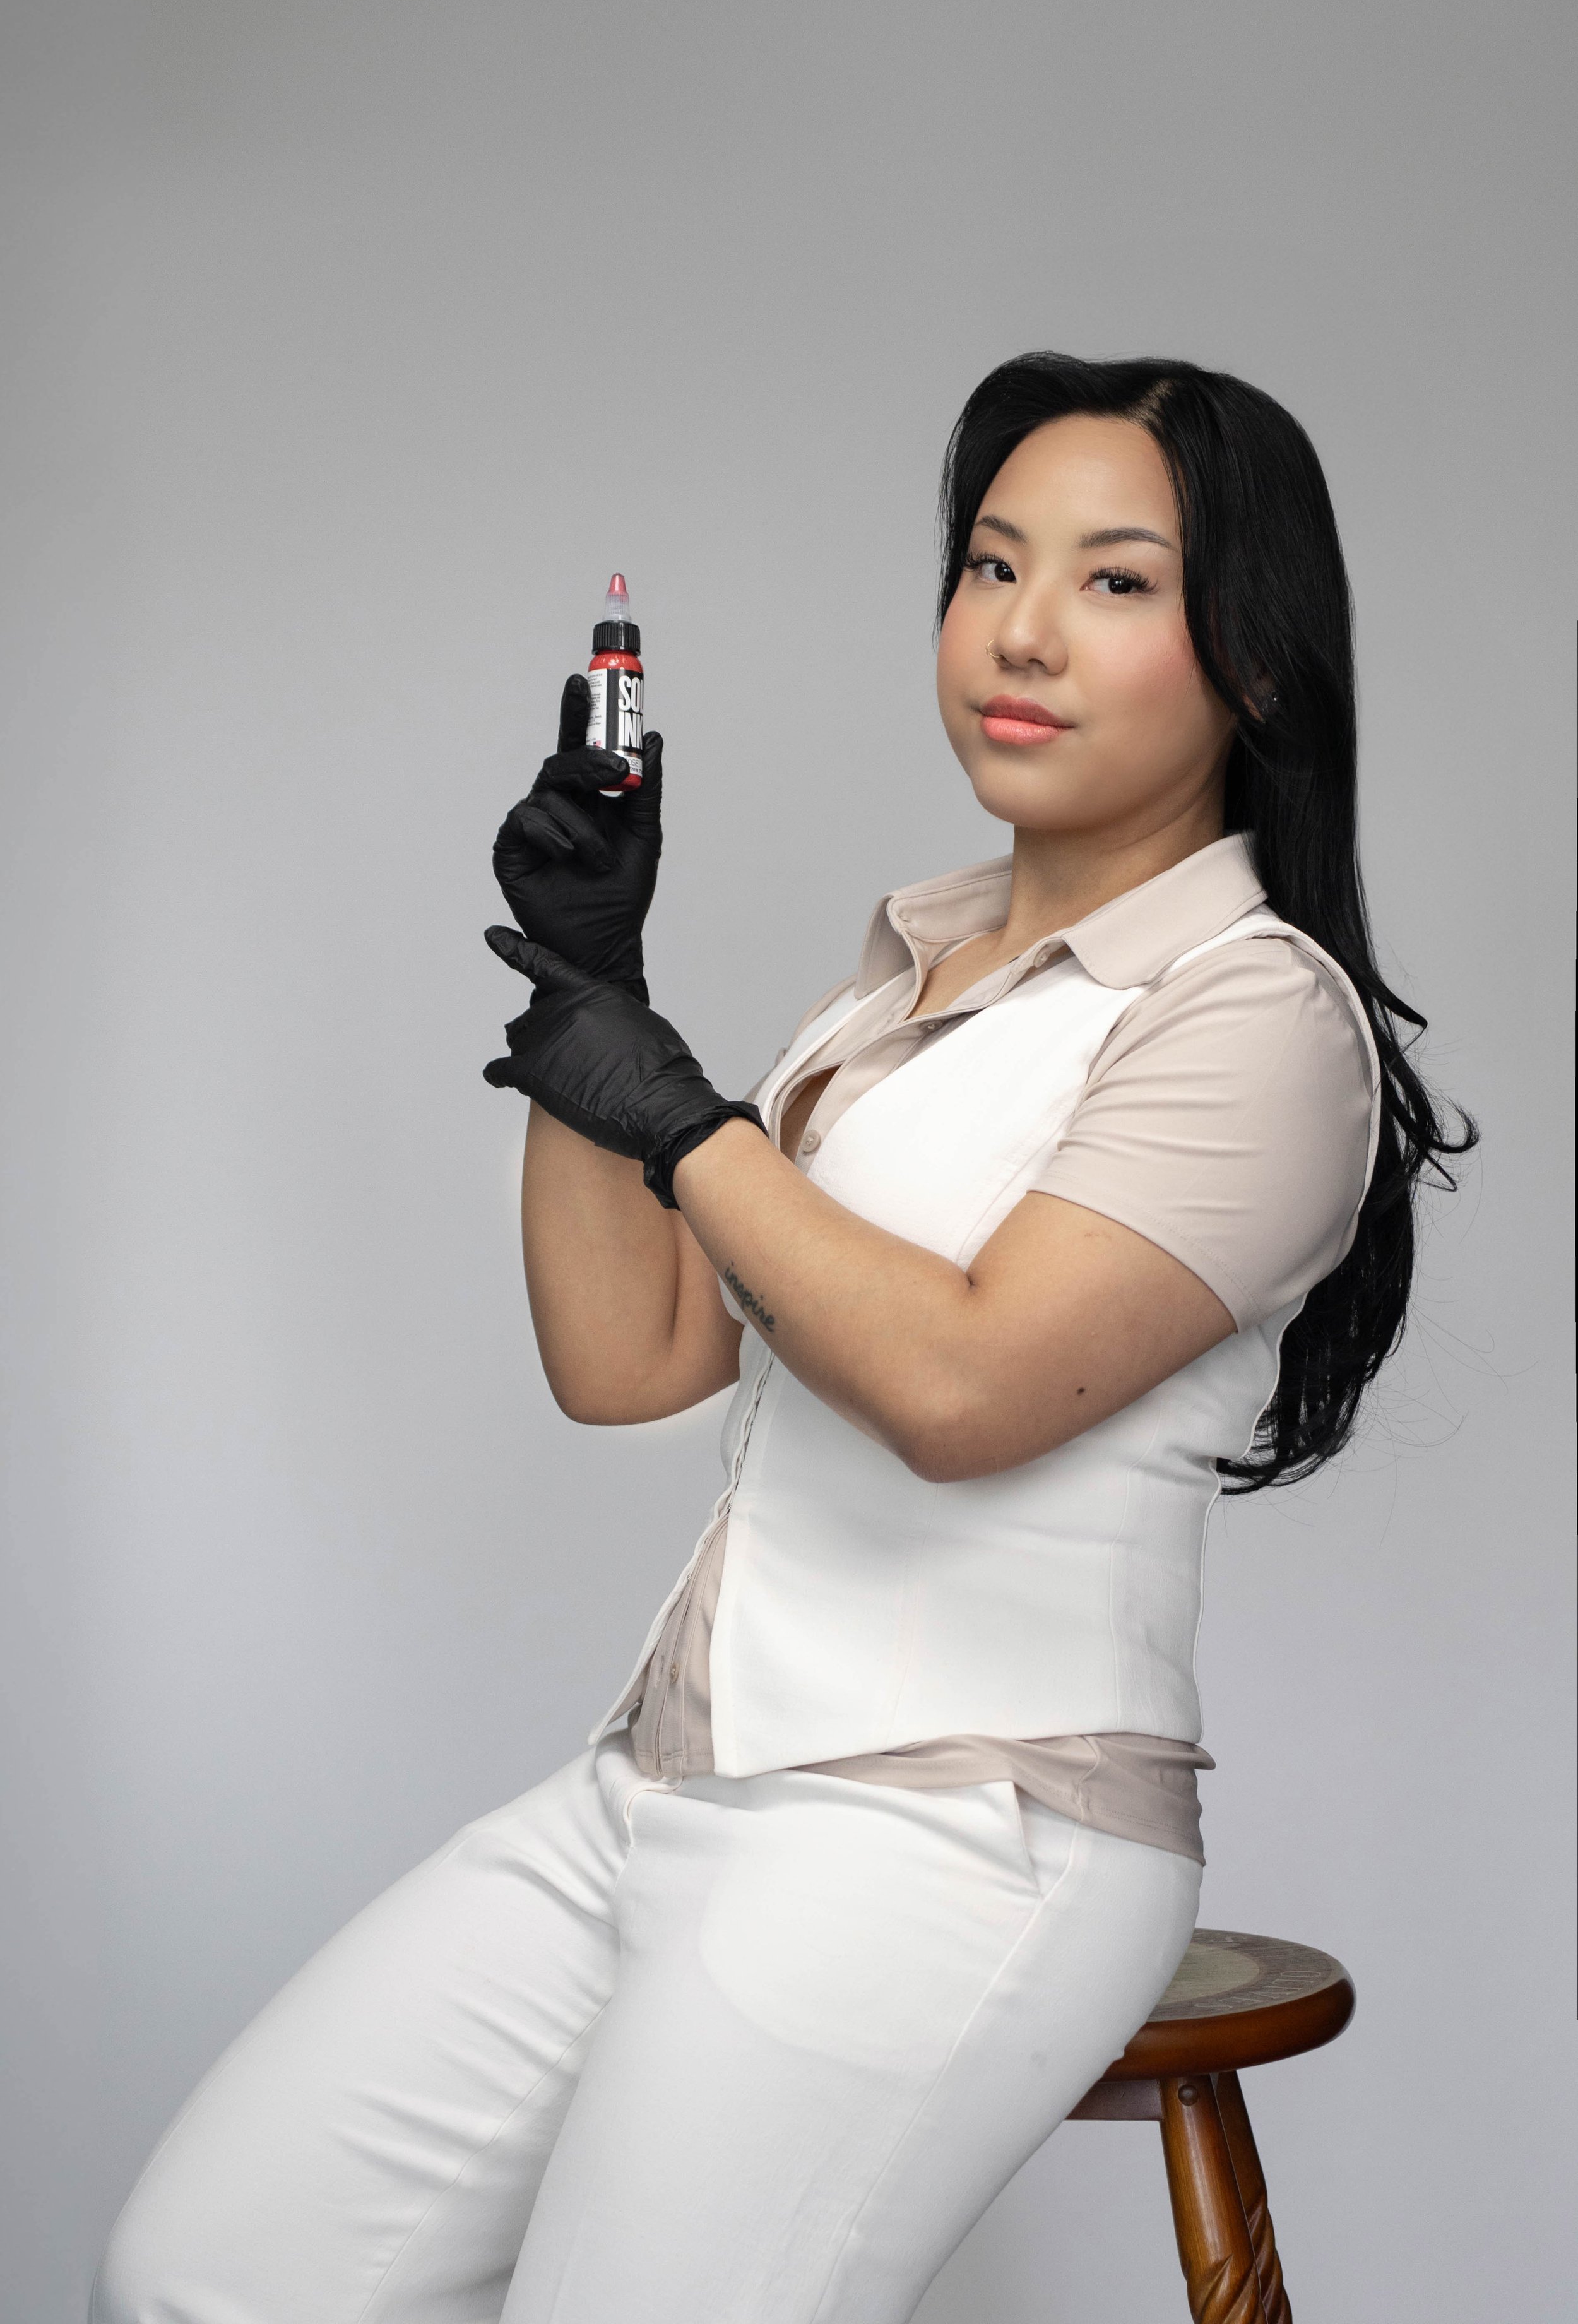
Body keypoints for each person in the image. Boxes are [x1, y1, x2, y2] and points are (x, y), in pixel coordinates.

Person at [94, 353, 1472, 2323]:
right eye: (989, 563)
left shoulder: (1254, 1014)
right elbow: (628, 1359)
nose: (1019, 631)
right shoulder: (903, 979)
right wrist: (588, 995)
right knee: (204, 2276)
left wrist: (683, 1119)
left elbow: (962, 1388)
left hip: (958, 1829)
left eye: (1112, 581)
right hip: (670, 1783)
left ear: (1251, 657)